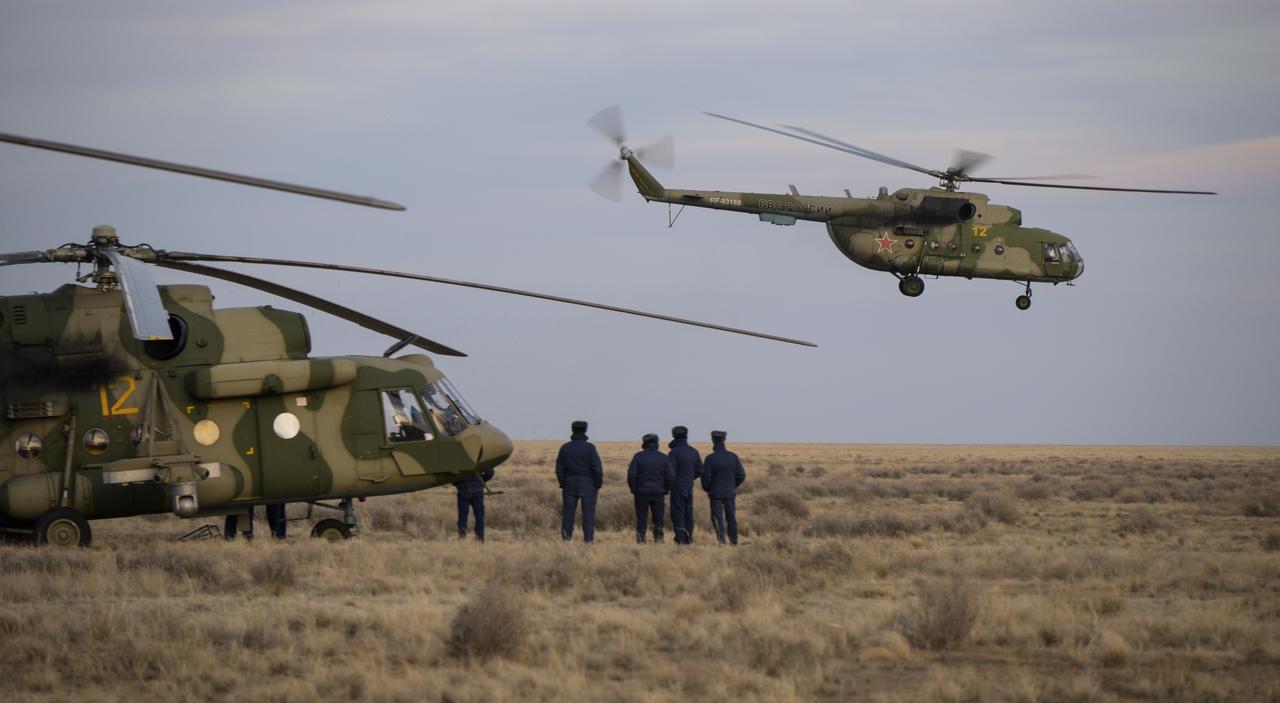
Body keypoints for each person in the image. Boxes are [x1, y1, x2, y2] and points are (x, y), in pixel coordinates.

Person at [556, 420, 603, 542]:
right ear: (585, 430)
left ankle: (566, 539)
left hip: (569, 483)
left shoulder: (565, 448)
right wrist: (597, 484)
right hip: (588, 483)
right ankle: (588, 540)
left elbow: (559, 468)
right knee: (588, 514)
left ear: (572, 430)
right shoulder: (590, 448)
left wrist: (563, 483)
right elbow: (597, 468)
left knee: (568, 513)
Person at [627, 433, 675, 543]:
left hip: (641, 493)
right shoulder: (664, 458)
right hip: (658, 492)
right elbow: (671, 476)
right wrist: (666, 489)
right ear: (656, 443)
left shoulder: (638, 457)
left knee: (641, 517)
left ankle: (641, 539)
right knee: (658, 518)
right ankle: (659, 539)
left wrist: (634, 489)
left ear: (644, 443)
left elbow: (632, 475)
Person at [700, 430, 745, 545]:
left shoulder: (710, 458)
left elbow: (706, 477)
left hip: (715, 493)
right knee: (731, 517)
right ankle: (734, 541)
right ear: (724, 440)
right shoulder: (733, 457)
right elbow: (741, 475)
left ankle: (721, 540)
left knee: (717, 517)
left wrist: (708, 488)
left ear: (713, 440)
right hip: (729, 492)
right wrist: (732, 485)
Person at [667, 425, 702, 545]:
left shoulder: (673, 452)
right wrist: (689, 478)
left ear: (674, 435)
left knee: (678, 513)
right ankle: (689, 538)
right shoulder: (694, 451)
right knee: (688, 513)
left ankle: (680, 539)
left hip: (677, 487)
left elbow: (670, 472)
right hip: (689, 486)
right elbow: (700, 470)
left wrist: (671, 484)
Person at [454, 467, 495, 541]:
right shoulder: (478, 458)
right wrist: (480, 481)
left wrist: (459, 483)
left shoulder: (459, 460)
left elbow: (452, 476)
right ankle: (480, 539)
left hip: (464, 489)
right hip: (478, 491)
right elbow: (490, 472)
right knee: (480, 517)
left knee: (462, 516)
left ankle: (462, 538)